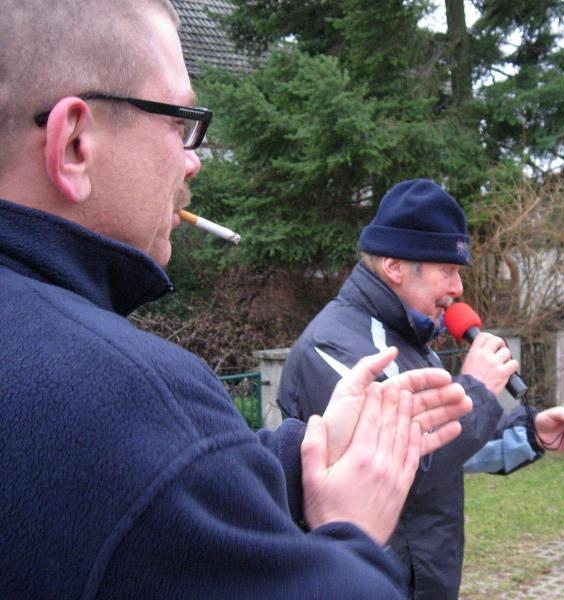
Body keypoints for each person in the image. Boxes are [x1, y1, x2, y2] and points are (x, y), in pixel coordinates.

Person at [0, 3, 473, 599]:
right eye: (181, 124)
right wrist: (352, 530)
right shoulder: (130, 397)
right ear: (74, 144)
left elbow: (166, 485)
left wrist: (305, 449)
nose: (193, 161)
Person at [277, 178, 564, 599]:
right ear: (395, 267)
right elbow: (404, 465)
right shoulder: (333, 348)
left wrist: (530, 432)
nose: (458, 289)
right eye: (447, 270)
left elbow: (447, 442)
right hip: (364, 584)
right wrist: (477, 390)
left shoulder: (412, 341)